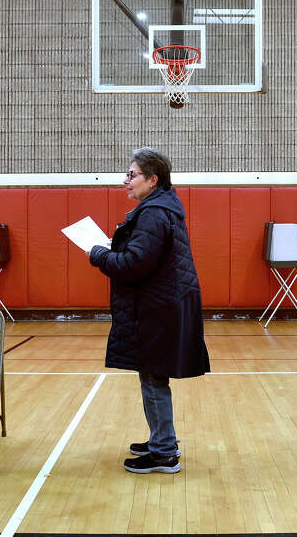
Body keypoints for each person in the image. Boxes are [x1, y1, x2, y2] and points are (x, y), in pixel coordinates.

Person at [88, 146, 210, 474]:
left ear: (152, 180)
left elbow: (133, 264)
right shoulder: (160, 208)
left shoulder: (154, 213)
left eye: (132, 175)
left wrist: (98, 253)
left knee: (154, 378)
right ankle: (161, 438)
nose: (125, 181)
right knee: (152, 376)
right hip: (163, 305)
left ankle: (164, 452)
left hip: (159, 309)